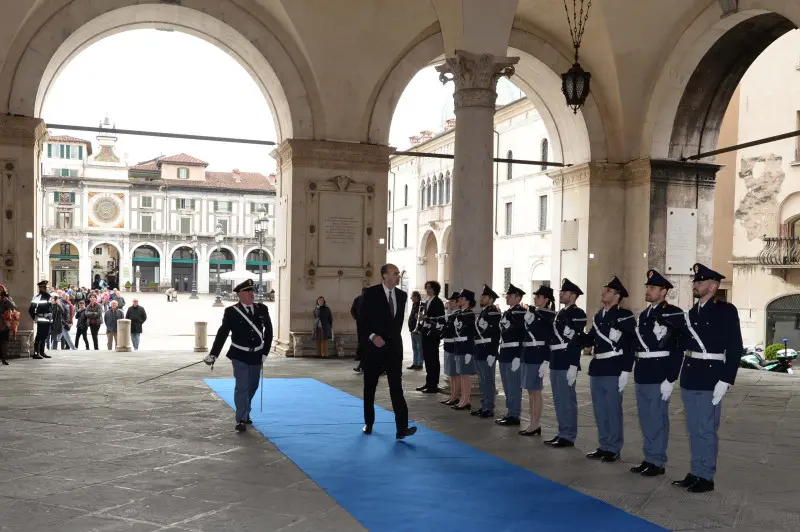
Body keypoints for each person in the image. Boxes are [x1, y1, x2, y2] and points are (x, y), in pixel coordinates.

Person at [672, 263, 742, 493]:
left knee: (706, 429)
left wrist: (726, 379)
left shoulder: (725, 310)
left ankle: (706, 476)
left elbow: (734, 347)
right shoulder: (691, 313)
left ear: (712, 286)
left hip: (710, 377)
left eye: (699, 281)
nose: (695, 284)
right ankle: (695, 471)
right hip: (690, 375)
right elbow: (685, 345)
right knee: (693, 429)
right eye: (695, 281)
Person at [630, 269, 686, 478]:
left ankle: (657, 461)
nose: (648, 290)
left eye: (652, 287)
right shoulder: (644, 314)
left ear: (664, 291)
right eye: (647, 287)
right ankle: (648, 457)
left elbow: (679, 347)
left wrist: (670, 378)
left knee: (657, 418)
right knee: (645, 418)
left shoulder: (673, 313)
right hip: (643, 372)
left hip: (659, 373)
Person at [357, 263, 417, 439]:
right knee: (370, 387)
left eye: (398, 273)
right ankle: (369, 422)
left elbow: (395, 324)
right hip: (373, 349)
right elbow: (362, 322)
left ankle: (402, 428)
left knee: (396, 388)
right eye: (395, 273)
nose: (398, 276)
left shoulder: (402, 295)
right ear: (384, 276)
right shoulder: (370, 293)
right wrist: (373, 336)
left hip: (393, 350)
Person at [206, 278, 274, 432]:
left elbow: (269, 332)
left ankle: (245, 409)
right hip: (239, 354)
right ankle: (241, 418)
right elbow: (222, 333)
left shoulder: (262, 309)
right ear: (240, 294)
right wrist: (213, 354)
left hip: (256, 355)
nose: (252, 294)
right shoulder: (231, 312)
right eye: (248, 291)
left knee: (253, 386)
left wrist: (265, 352)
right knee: (242, 386)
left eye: (252, 291)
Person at [582, 276, 636, 463]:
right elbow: (589, 339)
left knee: (612, 410)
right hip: (597, 367)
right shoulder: (598, 316)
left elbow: (631, 343)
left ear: (617, 296)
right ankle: (603, 445)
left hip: (614, 367)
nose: (603, 292)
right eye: (604, 289)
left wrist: (626, 370)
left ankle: (613, 448)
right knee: (600, 410)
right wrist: (574, 337)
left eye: (608, 290)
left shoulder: (624, 315)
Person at [545, 278, 588, 447]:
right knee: (558, 398)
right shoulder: (560, 313)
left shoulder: (578, 314)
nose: (561, 294)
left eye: (564, 292)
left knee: (566, 399)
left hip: (566, 359)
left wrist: (573, 364)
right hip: (556, 359)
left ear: (573, 295)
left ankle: (568, 434)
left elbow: (576, 340)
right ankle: (562, 431)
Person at [519, 285, 556, 436]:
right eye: (535, 296)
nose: (535, 298)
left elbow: (548, 337)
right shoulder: (535, 312)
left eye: (539, 296)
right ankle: (533, 422)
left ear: (546, 300)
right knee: (530, 390)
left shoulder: (549, 315)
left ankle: (536, 423)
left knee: (536, 390)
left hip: (538, 354)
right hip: (528, 353)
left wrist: (546, 360)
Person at [495, 283, 526, 427]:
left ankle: (515, 414)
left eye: (509, 295)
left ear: (517, 298)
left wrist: (518, 357)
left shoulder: (521, 313)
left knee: (514, 385)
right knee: (507, 385)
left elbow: (522, 334)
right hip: (505, 352)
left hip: (514, 353)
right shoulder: (508, 312)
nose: (506, 297)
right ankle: (510, 412)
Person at [471, 285, 501, 418]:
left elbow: (496, 335)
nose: (481, 298)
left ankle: (489, 407)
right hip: (480, 350)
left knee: (488, 380)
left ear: (491, 299)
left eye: (484, 297)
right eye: (482, 296)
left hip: (487, 351)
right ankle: (484, 405)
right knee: (483, 380)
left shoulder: (493, 312)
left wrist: (493, 353)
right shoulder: (484, 312)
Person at [452, 289, 478, 410]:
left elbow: (471, 334)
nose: (459, 300)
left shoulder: (469, 314)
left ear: (467, 301)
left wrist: (469, 351)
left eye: (462, 298)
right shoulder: (460, 313)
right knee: (462, 374)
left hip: (465, 346)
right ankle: (463, 399)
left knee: (465, 375)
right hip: (459, 346)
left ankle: (466, 399)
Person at [418, 280, 444, 393]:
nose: (427, 290)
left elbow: (438, 319)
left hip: (433, 335)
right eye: (426, 287)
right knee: (427, 359)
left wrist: (425, 318)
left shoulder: (438, 302)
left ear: (435, 289)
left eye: (429, 288)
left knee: (433, 359)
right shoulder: (428, 301)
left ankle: (433, 385)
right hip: (426, 333)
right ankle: (428, 382)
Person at [439, 292, 461, 406]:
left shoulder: (457, 315)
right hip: (448, 345)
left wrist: (443, 328)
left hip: (453, 346)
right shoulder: (452, 315)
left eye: (452, 301)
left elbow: (452, 331)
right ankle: (453, 395)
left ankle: (455, 396)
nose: (450, 303)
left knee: (455, 374)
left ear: (458, 303)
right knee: (451, 374)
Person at [29, 280, 52, 359]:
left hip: (47, 319)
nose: (46, 288)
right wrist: (35, 317)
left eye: (46, 287)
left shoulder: (48, 296)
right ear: (40, 288)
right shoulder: (37, 297)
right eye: (44, 287)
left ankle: (42, 352)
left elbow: (50, 308)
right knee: (39, 336)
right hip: (41, 319)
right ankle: (36, 353)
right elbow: (31, 309)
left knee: (45, 336)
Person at [0, 285, 18, 365]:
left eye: (1, 290)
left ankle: (3, 358)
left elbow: (14, 307)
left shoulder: (7, 299)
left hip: (4, 324)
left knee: (4, 342)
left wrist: (7, 300)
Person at [351, 287, 367, 373]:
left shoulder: (357, 299)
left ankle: (361, 366)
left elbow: (352, 310)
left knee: (363, 345)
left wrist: (357, 318)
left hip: (360, 325)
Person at [407, 291, 424, 370]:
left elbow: (422, 319)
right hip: (412, 329)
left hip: (418, 330)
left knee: (419, 347)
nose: (411, 298)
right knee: (414, 347)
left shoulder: (421, 305)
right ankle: (415, 362)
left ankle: (420, 363)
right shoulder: (414, 305)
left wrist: (419, 317)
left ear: (416, 297)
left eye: (412, 297)